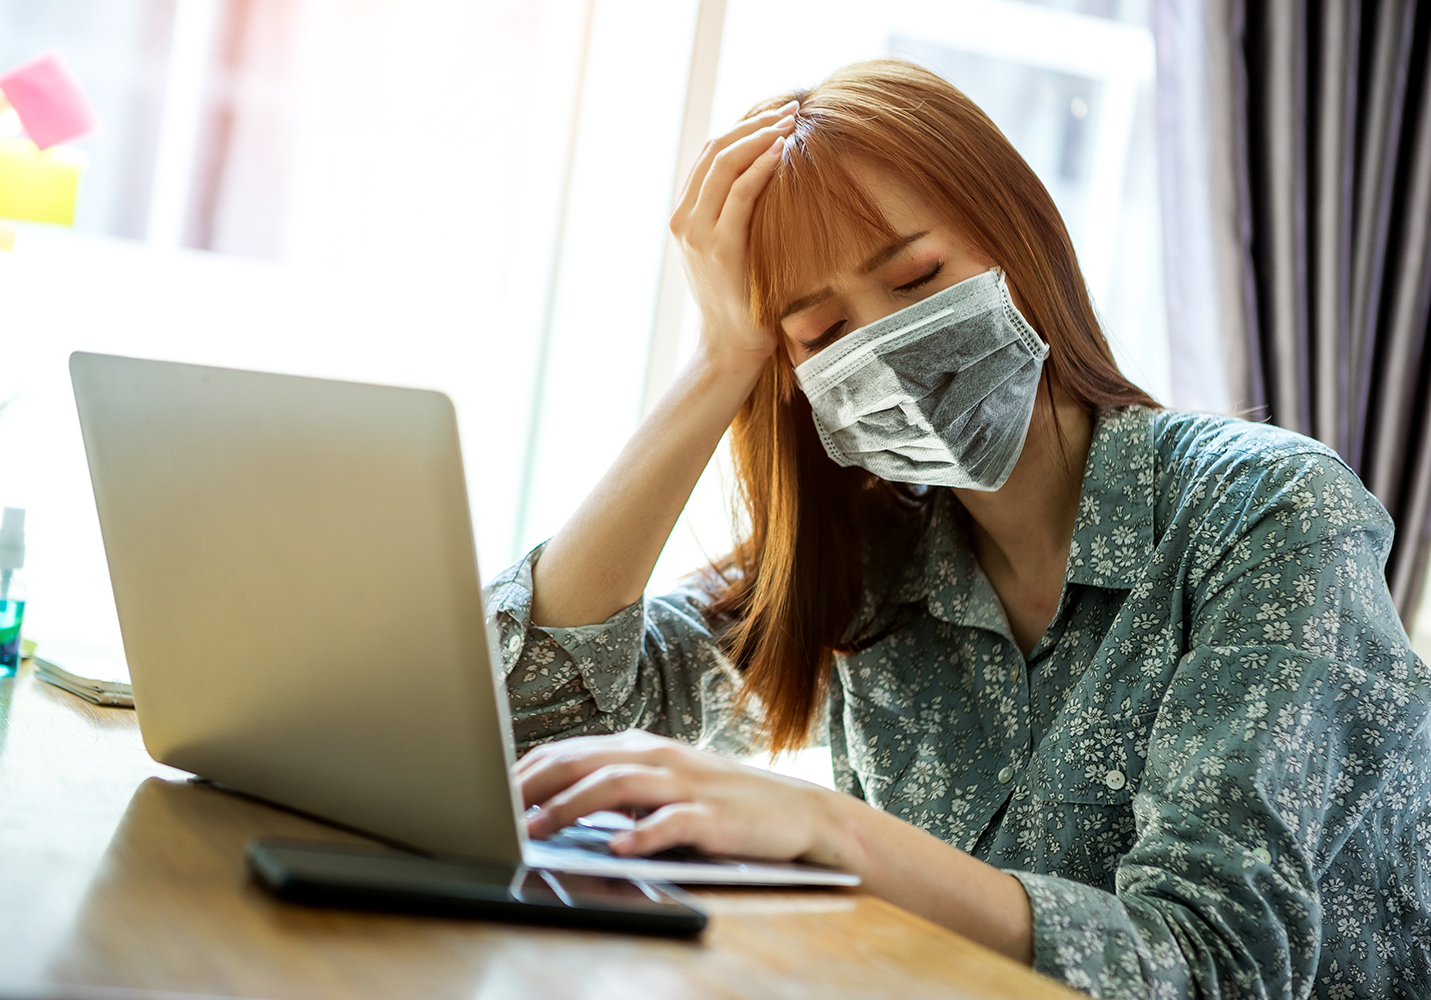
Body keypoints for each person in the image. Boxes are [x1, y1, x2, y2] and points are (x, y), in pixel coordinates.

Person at [484, 59, 1431, 998]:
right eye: (820, 336)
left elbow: (1218, 966)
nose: (883, 350)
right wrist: (721, 361)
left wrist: (833, 831)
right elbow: (526, 722)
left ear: (1019, 237)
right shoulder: (870, 563)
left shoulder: (1269, 512)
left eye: (915, 276)